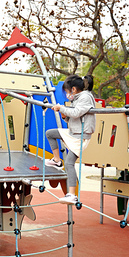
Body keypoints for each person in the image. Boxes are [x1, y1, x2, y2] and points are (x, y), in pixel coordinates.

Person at [43, 75, 97, 205]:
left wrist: (62, 108)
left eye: (67, 92)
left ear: (73, 89)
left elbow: (76, 113)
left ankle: (72, 195)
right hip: (73, 132)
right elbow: (73, 117)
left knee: (69, 164)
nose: (67, 94)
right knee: (50, 133)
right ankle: (56, 160)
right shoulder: (77, 98)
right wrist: (64, 115)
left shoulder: (85, 97)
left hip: (80, 136)